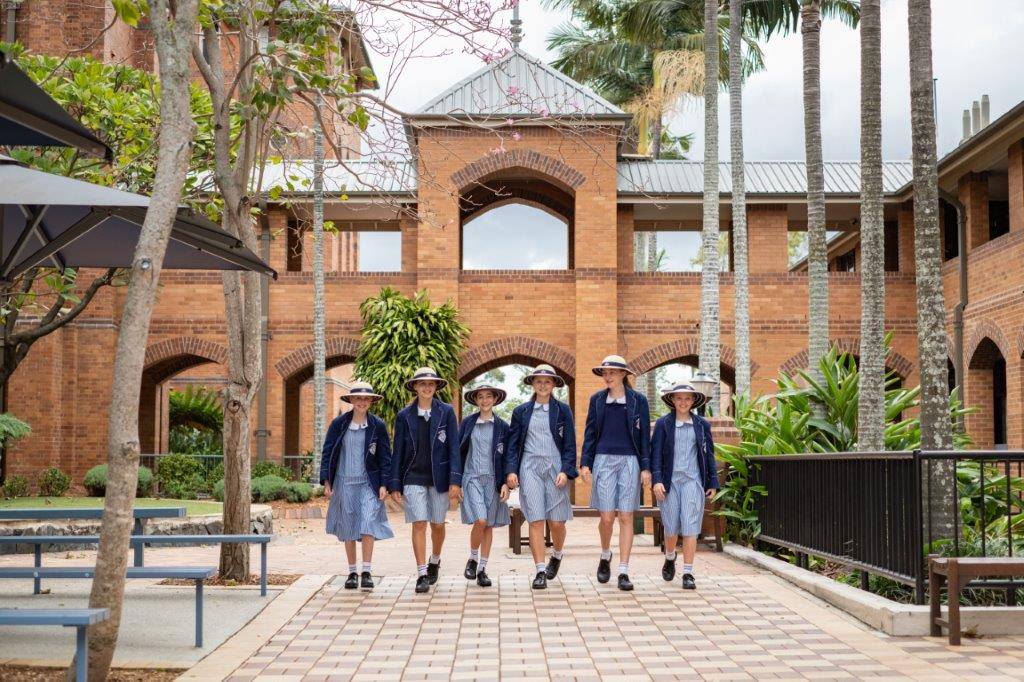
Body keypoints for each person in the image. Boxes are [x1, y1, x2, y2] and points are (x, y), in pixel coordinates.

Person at [389, 367, 463, 594]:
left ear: (436, 387)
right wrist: (395, 483)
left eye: (431, 384)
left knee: (437, 524)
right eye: (422, 384)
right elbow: (397, 451)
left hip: (439, 477)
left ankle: (435, 559)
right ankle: (422, 573)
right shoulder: (404, 416)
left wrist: (455, 480)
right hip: (413, 476)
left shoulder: (446, 412)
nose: (427, 387)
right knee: (419, 522)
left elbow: (454, 448)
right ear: (415, 387)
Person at [580, 355, 651, 591]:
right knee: (607, 517)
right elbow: (590, 433)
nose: (607, 376)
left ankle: (623, 571)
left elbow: (644, 437)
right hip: (603, 460)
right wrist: (585, 463)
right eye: (605, 372)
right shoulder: (597, 400)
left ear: (623, 374)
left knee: (626, 516)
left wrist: (646, 467)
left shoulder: (639, 401)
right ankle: (605, 554)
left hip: (630, 461)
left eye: (612, 372)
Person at [505, 364, 577, 590]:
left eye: (547, 381)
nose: (543, 385)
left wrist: (566, 470)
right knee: (535, 519)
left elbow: (570, 444)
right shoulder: (521, 412)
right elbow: (513, 445)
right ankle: (539, 571)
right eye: (539, 381)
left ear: (554, 384)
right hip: (529, 467)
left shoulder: (563, 410)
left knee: (556, 522)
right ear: (533, 384)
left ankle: (557, 554)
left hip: (556, 468)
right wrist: (511, 470)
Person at [319, 381, 393, 590]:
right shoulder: (338, 424)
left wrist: (384, 484)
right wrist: (327, 481)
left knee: (368, 523)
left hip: (369, 483)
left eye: (366, 398)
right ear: (351, 400)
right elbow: (328, 452)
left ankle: (366, 571)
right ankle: (352, 572)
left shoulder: (378, 425)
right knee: (349, 526)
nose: (362, 402)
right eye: (358, 398)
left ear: (371, 401)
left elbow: (385, 457)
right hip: (344, 482)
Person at [650, 382, 719, 589]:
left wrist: (712, 481)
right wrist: (657, 480)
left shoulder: (702, 425)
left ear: (693, 401)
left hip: (693, 481)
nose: (683, 402)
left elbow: (709, 454)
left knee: (690, 526)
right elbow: (655, 455)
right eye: (679, 398)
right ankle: (670, 556)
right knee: (671, 527)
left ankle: (688, 573)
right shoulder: (663, 424)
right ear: (672, 400)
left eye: (687, 398)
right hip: (669, 482)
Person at [458, 383, 512, 587]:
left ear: (495, 399)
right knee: (480, 520)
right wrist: (456, 482)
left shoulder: (502, 427)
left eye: (489, 396)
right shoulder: (467, 423)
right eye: (480, 397)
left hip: (493, 480)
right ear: (475, 400)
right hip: (471, 477)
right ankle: (473, 558)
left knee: (488, 525)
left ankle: (482, 569)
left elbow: (507, 457)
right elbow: (458, 452)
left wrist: (506, 483)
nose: (485, 400)